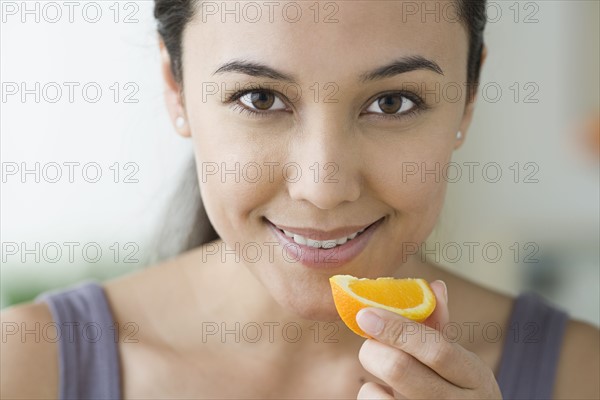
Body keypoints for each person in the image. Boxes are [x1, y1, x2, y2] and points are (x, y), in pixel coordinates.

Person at [2, 1, 599, 399]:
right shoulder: (24, 368)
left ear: (467, 101)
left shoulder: (581, 375)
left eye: (393, 102)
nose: (323, 185)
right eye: (260, 98)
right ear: (175, 89)